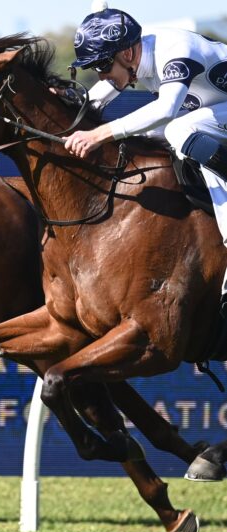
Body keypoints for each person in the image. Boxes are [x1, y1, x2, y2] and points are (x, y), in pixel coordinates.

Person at [63, 2, 227, 309]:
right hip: (213, 114)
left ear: (127, 53)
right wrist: (65, 99)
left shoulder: (176, 49)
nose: (101, 75)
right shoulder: (131, 58)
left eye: (102, 66)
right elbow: (98, 96)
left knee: (180, 129)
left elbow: (166, 109)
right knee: (149, 137)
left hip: (207, 115)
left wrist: (99, 134)